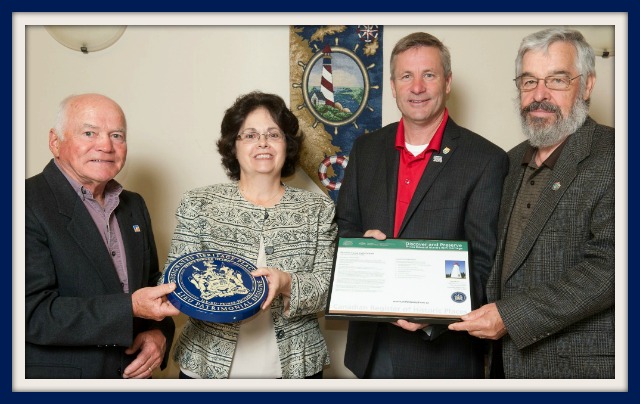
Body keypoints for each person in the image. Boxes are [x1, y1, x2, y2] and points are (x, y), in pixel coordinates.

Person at [336, 32, 509, 378]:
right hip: (370, 350)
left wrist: (434, 314)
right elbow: (344, 227)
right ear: (393, 84)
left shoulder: (486, 159)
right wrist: (361, 246)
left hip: (441, 356)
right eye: (406, 76)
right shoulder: (366, 149)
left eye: (428, 74)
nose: (417, 87)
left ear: (447, 82)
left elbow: (485, 264)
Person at [448, 28, 615, 379]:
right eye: (528, 82)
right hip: (502, 366)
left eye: (556, 80)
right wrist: (426, 308)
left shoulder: (616, 156)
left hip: (577, 371)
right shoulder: (506, 163)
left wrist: (510, 317)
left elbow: (611, 268)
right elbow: (483, 254)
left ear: (586, 86)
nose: (539, 95)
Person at [163, 91, 337, 379]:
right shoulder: (199, 203)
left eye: (274, 134)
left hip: (295, 367)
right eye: (250, 135)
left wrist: (287, 283)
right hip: (206, 365)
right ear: (233, 146)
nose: (263, 143)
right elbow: (173, 279)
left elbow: (328, 288)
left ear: (287, 145)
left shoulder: (317, 208)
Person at [25, 93, 179, 379]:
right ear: (55, 142)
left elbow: (152, 282)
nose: (106, 146)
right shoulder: (24, 202)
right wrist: (130, 308)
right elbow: (30, 313)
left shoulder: (134, 204)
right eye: (89, 133)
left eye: (117, 135)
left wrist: (159, 333)